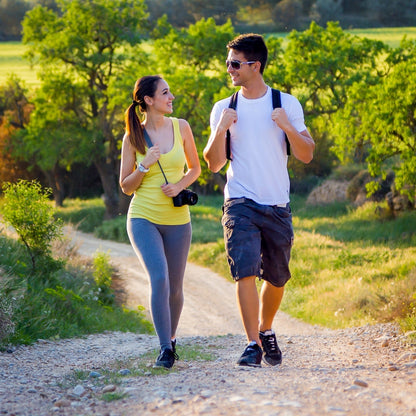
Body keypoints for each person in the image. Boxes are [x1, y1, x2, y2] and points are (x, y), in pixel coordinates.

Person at [203, 34, 315, 367]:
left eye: (235, 64)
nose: (229, 69)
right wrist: (220, 129)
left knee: (277, 277)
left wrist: (287, 127)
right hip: (240, 201)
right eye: (228, 63)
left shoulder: (285, 104)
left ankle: (266, 329)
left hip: (277, 203)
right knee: (245, 271)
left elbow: (307, 154)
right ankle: (252, 343)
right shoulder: (224, 108)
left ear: (256, 66)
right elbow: (213, 163)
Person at [119, 75, 201, 369]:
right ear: (149, 100)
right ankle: (165, 349)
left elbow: (195, 168)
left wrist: (179, 186)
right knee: (160, 279)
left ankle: (172, 338)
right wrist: (144, 165)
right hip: (144, 218)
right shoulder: (133, 137)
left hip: (178, 219)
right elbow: (126, 186)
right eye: (165, 93)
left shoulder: (182, 127)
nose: (171, 97)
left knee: (175, 287)